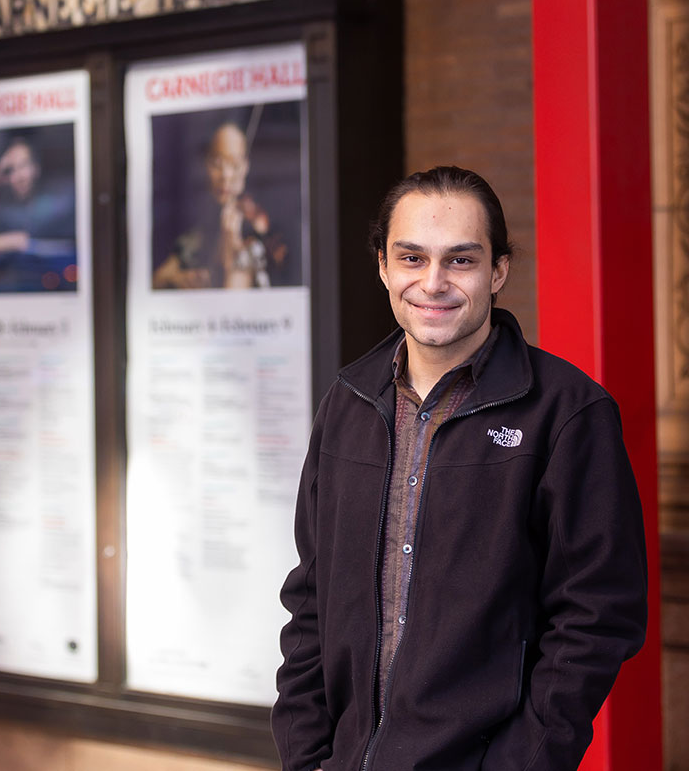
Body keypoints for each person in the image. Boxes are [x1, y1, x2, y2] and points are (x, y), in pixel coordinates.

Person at [272, 166, 648, 771]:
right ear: (383, 268)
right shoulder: (349, 402)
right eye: (412, 258)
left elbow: (600, 615)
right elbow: (312, 597)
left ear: (498, 271)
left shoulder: (568, 413)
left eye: (461, 261)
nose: (433, 282)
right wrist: (307, 753)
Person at [153, 122, 290, 289]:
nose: (226, 175)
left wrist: (233, 256)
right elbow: (159, 278)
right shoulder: (200, 233)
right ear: (206, 165)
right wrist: (180, 278)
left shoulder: (264, 233)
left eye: (234, 164)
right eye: (217, 163)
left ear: (246, 166)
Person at [0, 135, 77, 293]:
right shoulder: (7, 214)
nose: (18, 176)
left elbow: (22, 239)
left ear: (36, 168)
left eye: (24, 166)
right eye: (11, 170)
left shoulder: (53, 204)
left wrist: (5, 241)